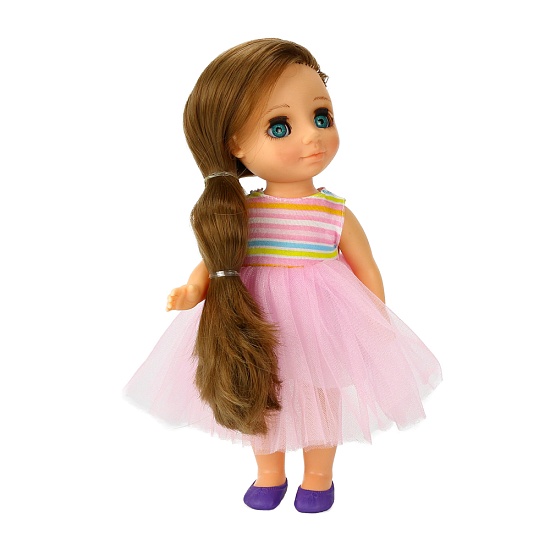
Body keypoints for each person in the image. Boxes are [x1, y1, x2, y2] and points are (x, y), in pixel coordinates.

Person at [124, 38, 442, 513]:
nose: (312, 137)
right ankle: (269, 473)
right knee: (260, 392)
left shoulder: (333, 211)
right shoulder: (244, 212)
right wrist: (194, 289)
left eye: (321, 117)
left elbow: (366, 268)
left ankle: (318, 477)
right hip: (255, 320)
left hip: (324, 323)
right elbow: (218, 259)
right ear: (235, 145)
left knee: (322, 394)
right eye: (280, 127)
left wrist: (374, 319)